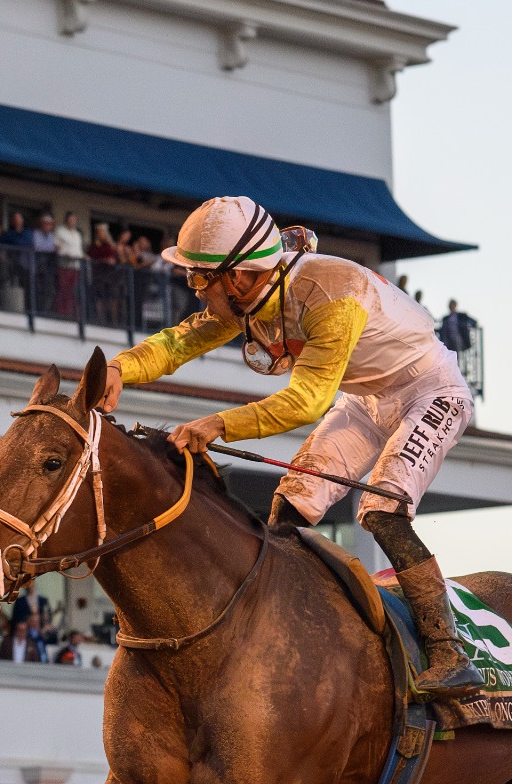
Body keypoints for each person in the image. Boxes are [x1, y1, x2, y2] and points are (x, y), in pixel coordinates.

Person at [101, 196, 480, 700]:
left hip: (431, 390)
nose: (196, 292)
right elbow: (175, 344)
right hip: (365, 398)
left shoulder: (330, 294)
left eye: (200, 280)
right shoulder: (252, 295)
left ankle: (449, 653)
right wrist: (117, 368)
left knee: (381, 511)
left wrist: (217, 424)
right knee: (290, 506)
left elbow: (305, 403)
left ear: (238, 277)